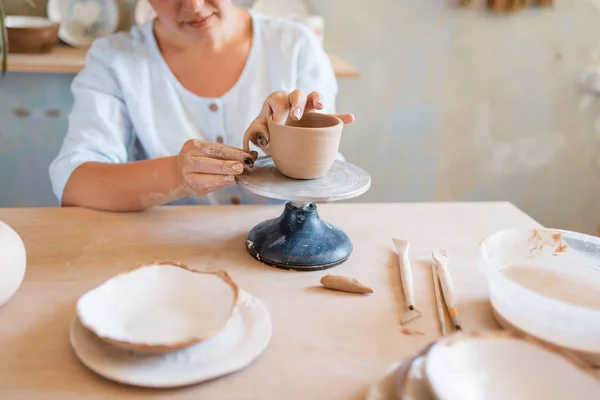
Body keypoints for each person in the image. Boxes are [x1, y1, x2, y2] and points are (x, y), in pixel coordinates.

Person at [48, 0, 354, 212]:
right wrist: (177, 174)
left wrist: (293, 143)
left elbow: (325, 192)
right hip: (167, 254)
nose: (194, 6)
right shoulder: (113, 59)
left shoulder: (295, 46)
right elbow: (75, 184)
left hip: (282, 254)